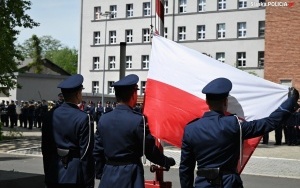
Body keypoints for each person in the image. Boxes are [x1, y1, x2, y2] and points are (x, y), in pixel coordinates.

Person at [179, 77, 299, 188]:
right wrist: (290, 101)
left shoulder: (190, 129)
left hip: (203, 184)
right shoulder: (234, 125)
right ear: (226, 102)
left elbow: (185, 168)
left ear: (206, 101)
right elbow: (269, 123)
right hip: (228, 183)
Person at [94, 74, 176, 188]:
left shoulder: (103, 119)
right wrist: (166, 161)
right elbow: (150, 150)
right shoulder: (137, 120)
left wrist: (101, 174)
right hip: (131, 174)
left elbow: (98, 150)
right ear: (133, 95)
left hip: (108, 173)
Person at [42, 74, 95, 188]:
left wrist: (49, 172)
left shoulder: (49, 115)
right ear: (77, 94)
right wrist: (89, 182)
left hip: (54, 172)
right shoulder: (84, 118)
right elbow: (86, 154)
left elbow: (45, 149)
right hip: (74, 175)